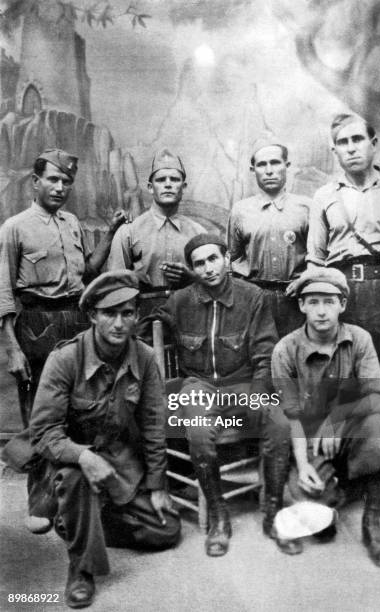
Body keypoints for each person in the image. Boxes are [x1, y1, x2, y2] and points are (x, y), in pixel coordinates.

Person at [141, 233, 300, 557]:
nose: (208, 268)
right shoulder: (180, 300)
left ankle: (273, 513)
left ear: (227, 259)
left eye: (214, 259)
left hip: (242, 383)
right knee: (198, 430)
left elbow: (264, 351)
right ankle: (218, 516)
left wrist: (257, 394)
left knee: (279, 422)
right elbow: (148, 327)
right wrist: (150, 328)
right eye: (199, 263)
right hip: (198, 385)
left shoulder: (252, 296)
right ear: (192, 268)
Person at [29, 271, 181, 609]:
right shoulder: (65, 359)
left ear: (136, 316)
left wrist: (158, 485)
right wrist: (84, 457)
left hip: (117, 456)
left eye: (127, 313)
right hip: (66, 459)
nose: (118, 323)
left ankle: (79, 521)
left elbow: (155, 423)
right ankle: (81, 569)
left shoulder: (144, 357)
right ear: (93, 315)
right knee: (76, 479)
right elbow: (43, 433)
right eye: (109, 313)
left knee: (167, 531)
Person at [0, 148, 127, 532]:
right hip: (36, 324)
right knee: (42, 413)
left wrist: (110, 233)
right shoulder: (14, 227)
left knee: (83, 406)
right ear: (35, 183)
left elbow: (87, 271)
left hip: (74, 320)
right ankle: (40, 502)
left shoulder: (71, 222)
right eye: (52, 180)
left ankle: (80, 498)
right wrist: (12, 347)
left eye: (66, 181)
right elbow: (3, 291)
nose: (60, 187)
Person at [271, 268, 380, 566]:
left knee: (376, 425)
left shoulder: (359, 339)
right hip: (308, 440)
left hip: (351, 429)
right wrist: (304, 464)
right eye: (313, 302)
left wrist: (337, 419)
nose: (321, 311)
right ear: (301, 305)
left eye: (329, 302)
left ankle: (372, 524)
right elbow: (291, 415)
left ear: (343, 304)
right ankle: (346, 485)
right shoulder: (285, 350)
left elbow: (379, 397)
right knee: (319, 520)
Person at [306, 113, 380, 441]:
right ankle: (350, 465)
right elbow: (315, 260)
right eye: (342, 143)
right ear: (334, 150)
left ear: (374, 144)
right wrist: (318, 307)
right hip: (341, 292)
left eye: (357, 140)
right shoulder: (324, 196)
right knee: (343, 375)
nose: (350, 149)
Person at [108, 147, 206, 315]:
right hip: (144, 315)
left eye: (174, 179)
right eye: (161, 180)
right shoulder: (129, 232)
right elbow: (114, 286)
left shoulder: (198, 233)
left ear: (184, 186)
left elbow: (215, 281)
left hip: (190, 313)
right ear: (150, 187)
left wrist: (192, 277)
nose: (168, 184)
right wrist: (133, 278)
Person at [227, 141, 311, 337]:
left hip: (298, 299)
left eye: (275, 163)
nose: (269, 171)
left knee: (298, 357)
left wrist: (304, 283)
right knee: (261, 357)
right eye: (262, 165)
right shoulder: (241, 210)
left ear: (287, 166)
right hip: (256, 300)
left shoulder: (306, 208)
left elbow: (317, 256)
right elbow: (233, 258)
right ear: (253, 169)